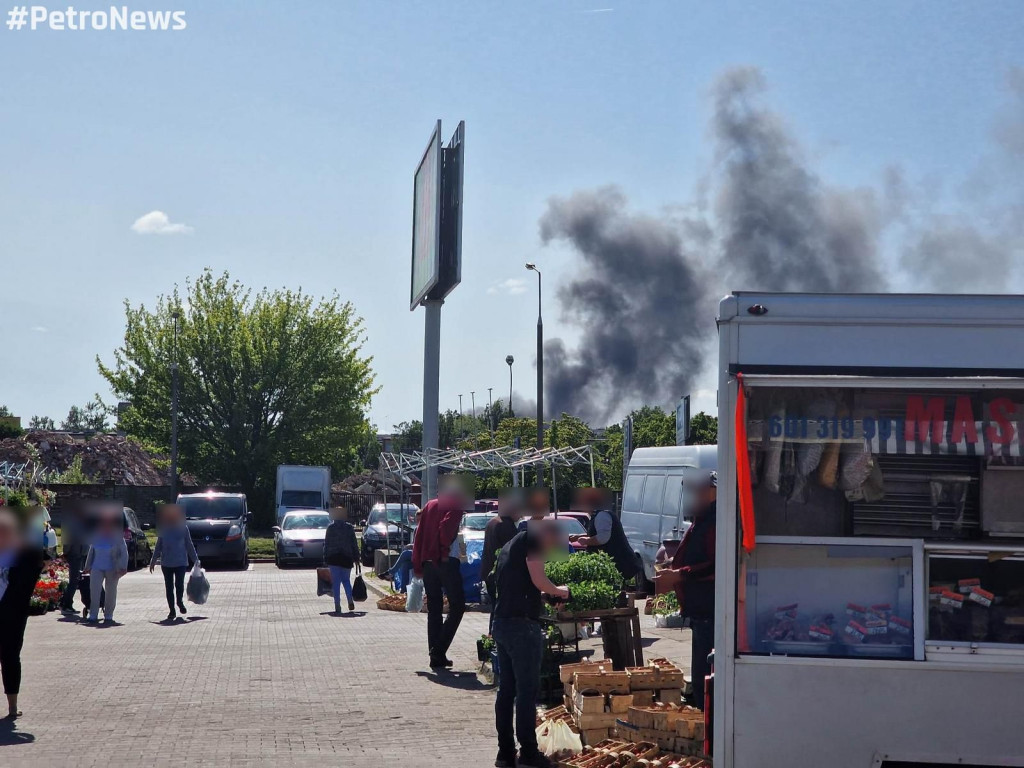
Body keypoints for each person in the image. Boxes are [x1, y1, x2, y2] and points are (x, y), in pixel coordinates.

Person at [492, 520, 570, 768]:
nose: (549, 551)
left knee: (507, 691)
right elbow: (538, 578)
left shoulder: (509, 547)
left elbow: (522, 584)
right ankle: (528, 753)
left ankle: (505, 753)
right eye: (553, 545)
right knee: (526, 693)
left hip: (502, 624)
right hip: (521, 629)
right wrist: (560, 590)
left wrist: (545, 597)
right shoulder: (532, 540)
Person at [668, 470, 717, 711]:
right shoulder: (702, 520)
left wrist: (680, 573)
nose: (694, 496)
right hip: (700, 612)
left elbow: (716, 565)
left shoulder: (716, 522)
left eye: (699, 490)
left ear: (712, 492)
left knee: (704, 676)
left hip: (709, 610)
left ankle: (707, 731)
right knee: (700, 676)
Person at [412, 477, 471, 669]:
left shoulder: (429, 505)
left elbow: (419, 536)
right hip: (445, 561)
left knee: (434, 610)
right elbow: (446, 530)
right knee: (458, 606)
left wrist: (419, 563)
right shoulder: (454, 506)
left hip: (428, 563)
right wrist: (444, 549)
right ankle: (438, 649)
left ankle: (435, 657)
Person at [0, 508, 43, 720]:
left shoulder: (23, 555)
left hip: (13, 612)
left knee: (10, 656)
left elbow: (39, 562)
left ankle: (12, 706)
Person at [572, 488, 640, 582]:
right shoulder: (597, 515)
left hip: (618, 563)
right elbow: (598, 533)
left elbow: (602, 538)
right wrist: (578, 537)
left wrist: (585, 541)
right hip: (612, 564)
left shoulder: (602, 516)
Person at [149, 504, 199, 621]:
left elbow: (189, 544)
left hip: (180, 562)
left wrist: (196, 560)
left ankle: (179, 602)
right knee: (169, 587)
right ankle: (172, 610)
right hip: (166, 563)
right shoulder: (164, 529)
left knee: (179, 585)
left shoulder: (183, 528)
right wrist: (153, 560)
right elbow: (158, 546)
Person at [83, 512, 129, 624]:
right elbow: (91, 551)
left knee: (111, 593)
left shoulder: (118, 536)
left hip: (113, 568)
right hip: (96, 567)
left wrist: (123, 567)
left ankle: (108, 615)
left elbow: (124, 552)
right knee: (94, 592)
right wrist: (87, 566)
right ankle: (93, 615)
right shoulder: (96, 535)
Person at [481, 489, 524, 604]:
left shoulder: (492, 521)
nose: (520, 516)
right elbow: (514, 551)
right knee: (501, 608)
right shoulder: (506, 525)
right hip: (500, 574)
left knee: (495, 609)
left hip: (488, 570)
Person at [323, 506, 359, 615]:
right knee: (346, 580)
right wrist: (356, 557)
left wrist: (325, 558)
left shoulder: (330, 528)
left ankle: (337, 605)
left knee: (336, 583)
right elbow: (354, 544)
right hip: (347, 558)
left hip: (333, 558)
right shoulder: (349, 528)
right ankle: (350, 600)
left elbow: (326, 544)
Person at [59, 501, 89, 617]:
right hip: (75, 555)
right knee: (74, 581)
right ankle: (66, 604)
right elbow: (67, 542)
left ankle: (67, 603)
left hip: (81, 554)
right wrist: (66, 553)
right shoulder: (71, 523)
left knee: (76, 580)